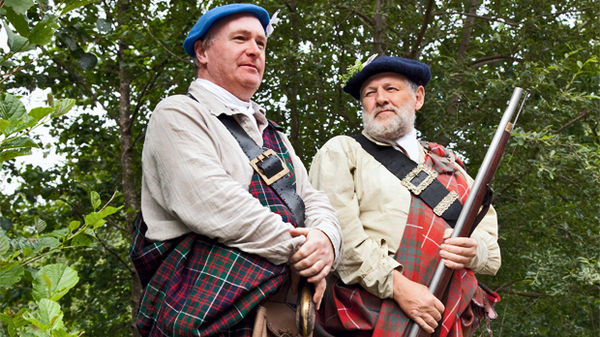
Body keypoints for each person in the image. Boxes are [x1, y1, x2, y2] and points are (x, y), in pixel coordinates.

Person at [130, 3, 342, 336]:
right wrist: (302, 251)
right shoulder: (178, 113)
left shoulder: (274, 136)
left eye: (260, 43)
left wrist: (326, 241)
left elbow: (314, 201)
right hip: (205, 312)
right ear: (202, 51)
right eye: (240, 38)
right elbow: (214, 202)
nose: (254, 50)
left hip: (279, 318)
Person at [309, 56, 501, 337]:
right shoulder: (342, 151)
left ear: (418, 97)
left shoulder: (453, 170)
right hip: (363, 314)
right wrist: (398, 287)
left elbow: (492, 255)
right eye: (370, 93)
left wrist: (474, 250)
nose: (381, 99)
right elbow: (338, 236)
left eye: (391, 89)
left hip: (447, 316)